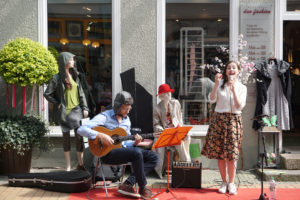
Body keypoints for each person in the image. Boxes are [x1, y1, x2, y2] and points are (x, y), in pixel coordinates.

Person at [77, 91, 158, 199]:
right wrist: (101, 135)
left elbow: (125, 142)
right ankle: (143, 188)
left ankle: (128, 183)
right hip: (106, 154)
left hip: (122, 151)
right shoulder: (104, 116)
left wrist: (134, 142)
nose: (127, 112)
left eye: (129, 109)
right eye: (125, 109)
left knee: (153, 157)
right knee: (137, 153)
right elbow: (81, 129)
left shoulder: (127, 120)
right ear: (117, 106)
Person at [201, 61, 247, 195]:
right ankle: (223, 182)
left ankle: (231, 183)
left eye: (234, 67)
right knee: (220, 153)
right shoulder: (220, 85)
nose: (231, 70)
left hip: (234, 120)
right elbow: (211, 99)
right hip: (219, 119)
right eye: (229, 68)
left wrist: (233, 90)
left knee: (232, 154)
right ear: (226, 71)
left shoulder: (242, 87)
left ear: (238, 71)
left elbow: (240, 106)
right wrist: (216, 85)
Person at [44, 52, 89, 171]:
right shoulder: (57, 78)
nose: (73, 61)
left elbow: (81, 93)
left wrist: (85, 108)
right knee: (66, 138)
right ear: (65, 61)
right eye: (71, 60)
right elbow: (47, 93)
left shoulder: (75, 75)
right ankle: (68, 167)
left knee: (80, 137)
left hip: (77, 110)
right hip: (65, 112)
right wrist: (58, 103)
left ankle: (80, 164)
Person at [153, 83, 191, 178]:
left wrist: (180, 126)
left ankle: (187, 166)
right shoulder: (157, 108)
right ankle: (159, 170)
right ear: (162, 96)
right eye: (166, 93)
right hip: (165, 132)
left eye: (169, 92)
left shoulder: (176, 103)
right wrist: (160, 129)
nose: (169, 94)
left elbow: (180, 117)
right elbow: (156, 123)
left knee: (184, 138)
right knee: (157, 144)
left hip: (176, 131)